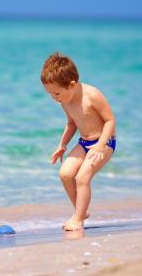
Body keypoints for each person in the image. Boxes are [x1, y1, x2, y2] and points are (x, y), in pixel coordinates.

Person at [40, 52, 116, 231]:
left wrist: (100, 145)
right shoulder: (65, 100)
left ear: (71, 85)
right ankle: (81, 211)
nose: (54, 98)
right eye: (50, 94)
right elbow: (72, 123)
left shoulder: (92, 95)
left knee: (82, 177)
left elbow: (110, 121)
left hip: (104, 142)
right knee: (65, 174)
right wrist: (62, 145)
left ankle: (78, 219)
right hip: (84, 142)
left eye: (56, 93)